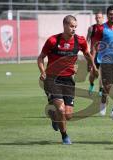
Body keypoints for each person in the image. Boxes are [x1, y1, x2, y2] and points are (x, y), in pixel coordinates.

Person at [37, 15, 98, 145]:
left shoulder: (80, 41)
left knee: (68, 115)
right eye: (71, 26)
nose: (74, 29)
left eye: (75, 26)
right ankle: (65, 136)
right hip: (52, 79)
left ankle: (53, 116)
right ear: (64, 25)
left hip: (68, 81)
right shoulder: (53, 41)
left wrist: (93, 67)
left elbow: (87, 54)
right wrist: (42, 72)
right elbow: (41, 58)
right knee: (61, 109)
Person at [86, 11, 104, 96]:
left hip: (103, 54)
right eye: (96, 17)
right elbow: (87, 41)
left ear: (102, 18)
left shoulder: (106, 29)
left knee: (103, 73)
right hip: (93, 54)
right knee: (92, 74)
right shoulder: (91, 28)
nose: (98, 19)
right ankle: (91, 84)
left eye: (99, 17)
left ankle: (100, 89)